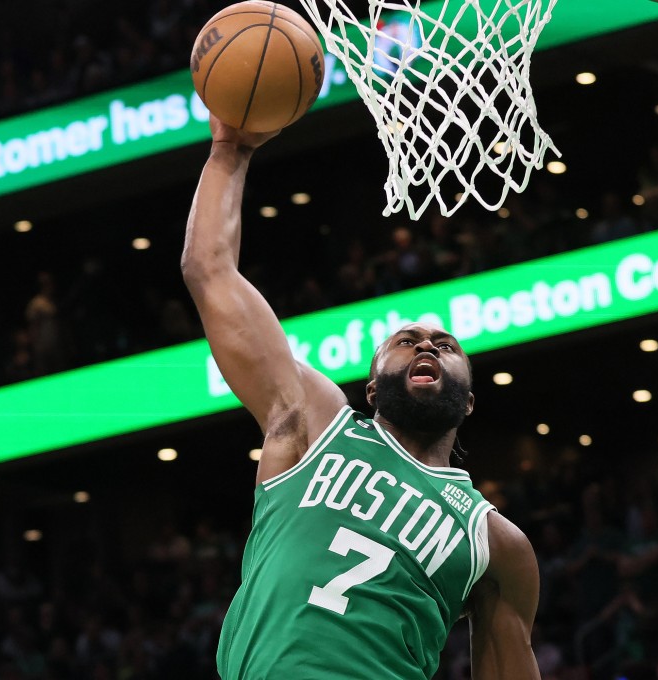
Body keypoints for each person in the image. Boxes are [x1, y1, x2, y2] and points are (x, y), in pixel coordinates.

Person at [179, 117, 540, 679]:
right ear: (371, 388)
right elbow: (209, 271)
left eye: (445, 346)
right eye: (406, 342)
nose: (426, 345)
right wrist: (229, 149)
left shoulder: (498, 544)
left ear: (468, 400)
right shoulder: (313, 425)